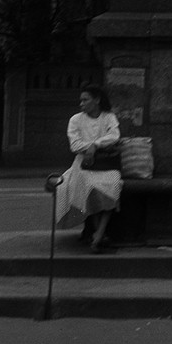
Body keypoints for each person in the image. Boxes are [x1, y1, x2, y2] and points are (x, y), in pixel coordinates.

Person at [55, 83, 123, 253]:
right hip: (82, 165)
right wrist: (90, 147)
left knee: (113, 185)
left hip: (106, 164)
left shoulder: (108, 117)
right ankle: (99, 234)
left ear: (97, 100)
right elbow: (75, 144)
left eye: (85, 100)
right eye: (81, 100)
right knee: (88, 187)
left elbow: (114, 136)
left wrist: (95, 145)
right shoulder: (76, 120)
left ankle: (98, 233)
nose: (81, 103)